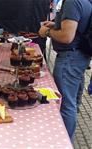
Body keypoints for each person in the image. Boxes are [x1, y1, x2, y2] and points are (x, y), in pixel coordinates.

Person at [38, 0, 92, 142]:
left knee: (66, 105)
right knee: (72, 102)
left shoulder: (72, 2)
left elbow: (67, 37)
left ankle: (64, 142)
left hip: (70, 58)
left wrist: (47, 31)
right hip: (79, 57)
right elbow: (77, 27)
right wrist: (56, 25)